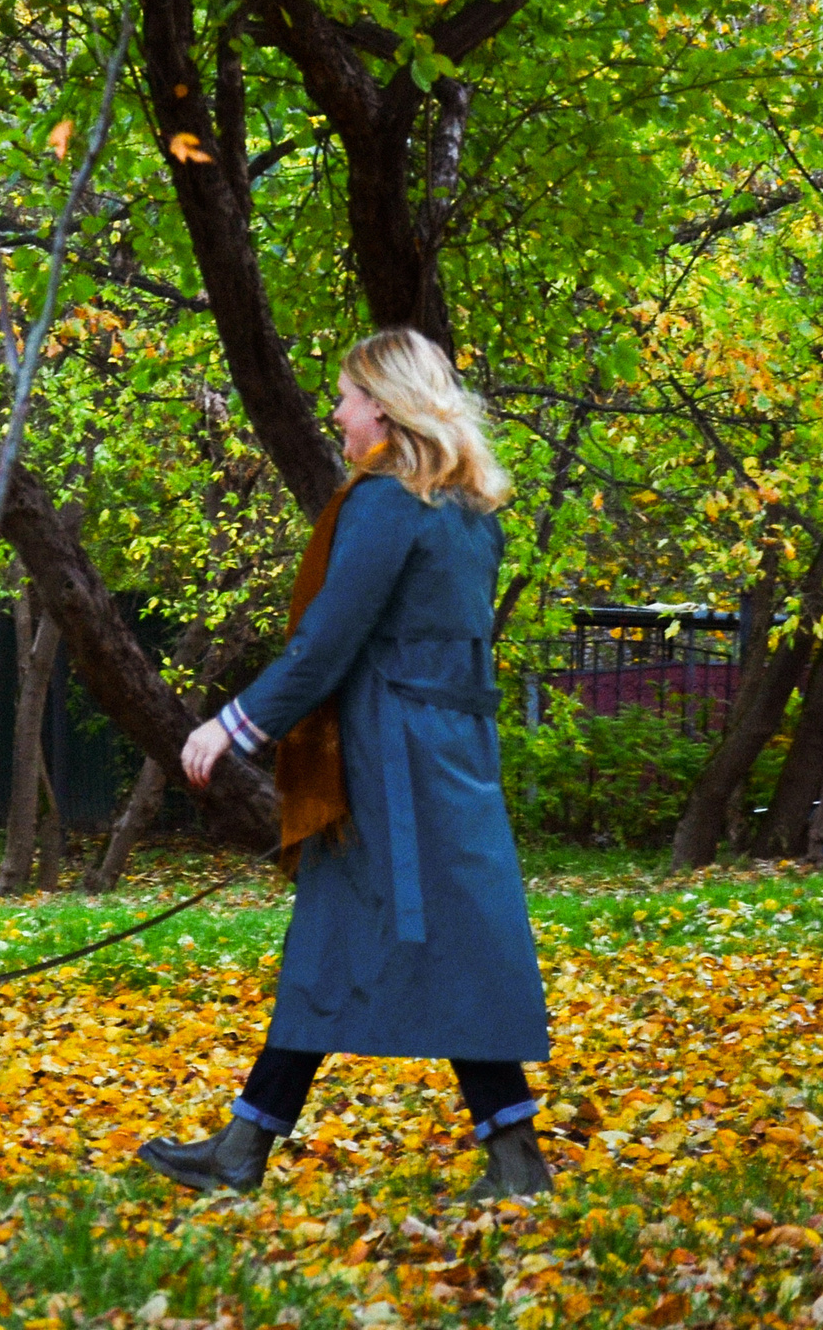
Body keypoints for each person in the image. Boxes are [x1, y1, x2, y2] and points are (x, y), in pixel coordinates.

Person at [135, 328, 553, 1200]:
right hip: (450, 758)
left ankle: (505, 1164)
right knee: (396, 948)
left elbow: (327, 644)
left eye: (347, 398)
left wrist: (233, 727)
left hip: (391, 768)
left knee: (378, 948)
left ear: (386, 409)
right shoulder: (472, 514)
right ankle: (249, 1150)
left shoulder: (388, 503)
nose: (336, 413)